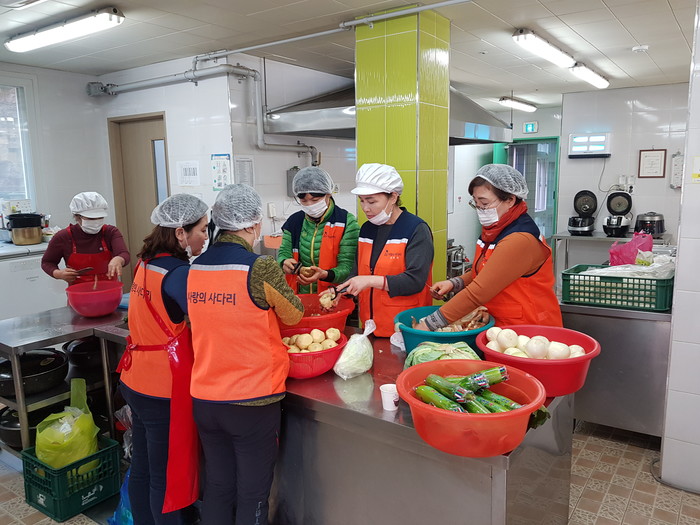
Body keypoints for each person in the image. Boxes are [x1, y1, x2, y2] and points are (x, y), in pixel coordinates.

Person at [183, 184, 303, 525]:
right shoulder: (258, 267)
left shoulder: (196, 267)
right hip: (251, 399)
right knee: (253, 494)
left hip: (206, 398)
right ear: (252, 224)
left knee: (219, 487)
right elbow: (293, 314)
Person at [117, 193, 209, 525]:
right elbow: (205, 320)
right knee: (164, 477)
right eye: (202, 229)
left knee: (142, 466)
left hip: (134, 378)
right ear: (180, 233)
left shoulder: (146, 263)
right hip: (161, 388)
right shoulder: (178, 273)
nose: (205, 237)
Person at [416, 164, 562, 331]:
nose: (480, 209)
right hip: (503, 325)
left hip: (529, 329)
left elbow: (478, 292)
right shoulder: (495, 229)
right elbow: (489, 270)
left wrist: (428, 324)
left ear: (510, 200)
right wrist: (456, 283)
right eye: (475, 203)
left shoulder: (519, 239)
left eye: (484, 203)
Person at [334, 163, 434, 337]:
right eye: (362, 201)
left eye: (372, 201)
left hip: (405, 329)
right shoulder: (367, 229)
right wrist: (340, 291)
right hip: (369, 328)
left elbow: (415, 281)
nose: (365, 208)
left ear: (393, 197)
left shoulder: (416, 229)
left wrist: (369, 281)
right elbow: (357, 273)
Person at [278, 167, 359, 294]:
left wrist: (325, 274)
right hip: (298, 295)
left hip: (332, 295)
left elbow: (347, 267)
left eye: (315, 200)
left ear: (328, 194)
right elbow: (284, 252)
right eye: (303, 201)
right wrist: (284, 262)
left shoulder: (346, 222)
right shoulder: (294, 221)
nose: (309, 205)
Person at [41, 191, 130, 283]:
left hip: (110, 288)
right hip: (78, 290)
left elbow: (124, 253)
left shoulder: (110, 232)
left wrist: (119, 259)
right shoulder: (63, 237)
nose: (96, 221)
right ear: (77, 217)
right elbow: (47, 262)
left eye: (100, 218)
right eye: (91, 218)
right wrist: (58, 274)